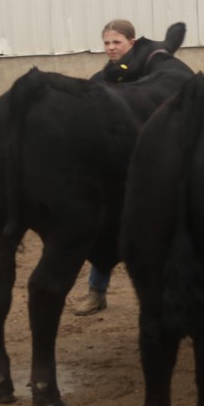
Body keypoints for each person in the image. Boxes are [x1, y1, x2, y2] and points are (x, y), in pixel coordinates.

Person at [73, 19, 137, 316]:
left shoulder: (149, 77)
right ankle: (96, 293)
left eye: (117, 42)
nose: (111, 48)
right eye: (107, 43)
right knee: (102, 231)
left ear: (132, 43)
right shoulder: (98, 80)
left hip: (140, 166)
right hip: (108, 169)